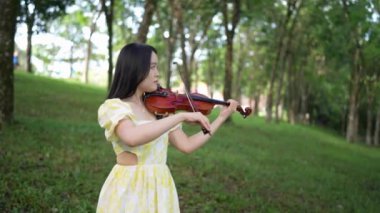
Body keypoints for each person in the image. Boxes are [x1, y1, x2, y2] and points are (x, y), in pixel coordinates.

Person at [96, 42, 238, 212]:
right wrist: (181, 116)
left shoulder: (160, 111)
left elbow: (187, 145)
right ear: (135, 69)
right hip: (129, 187)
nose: (157, 73)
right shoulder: (115, 107)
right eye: (152, 67)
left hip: (160, 187)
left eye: (157, 67)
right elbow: (132, 137)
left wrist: (221, 118)